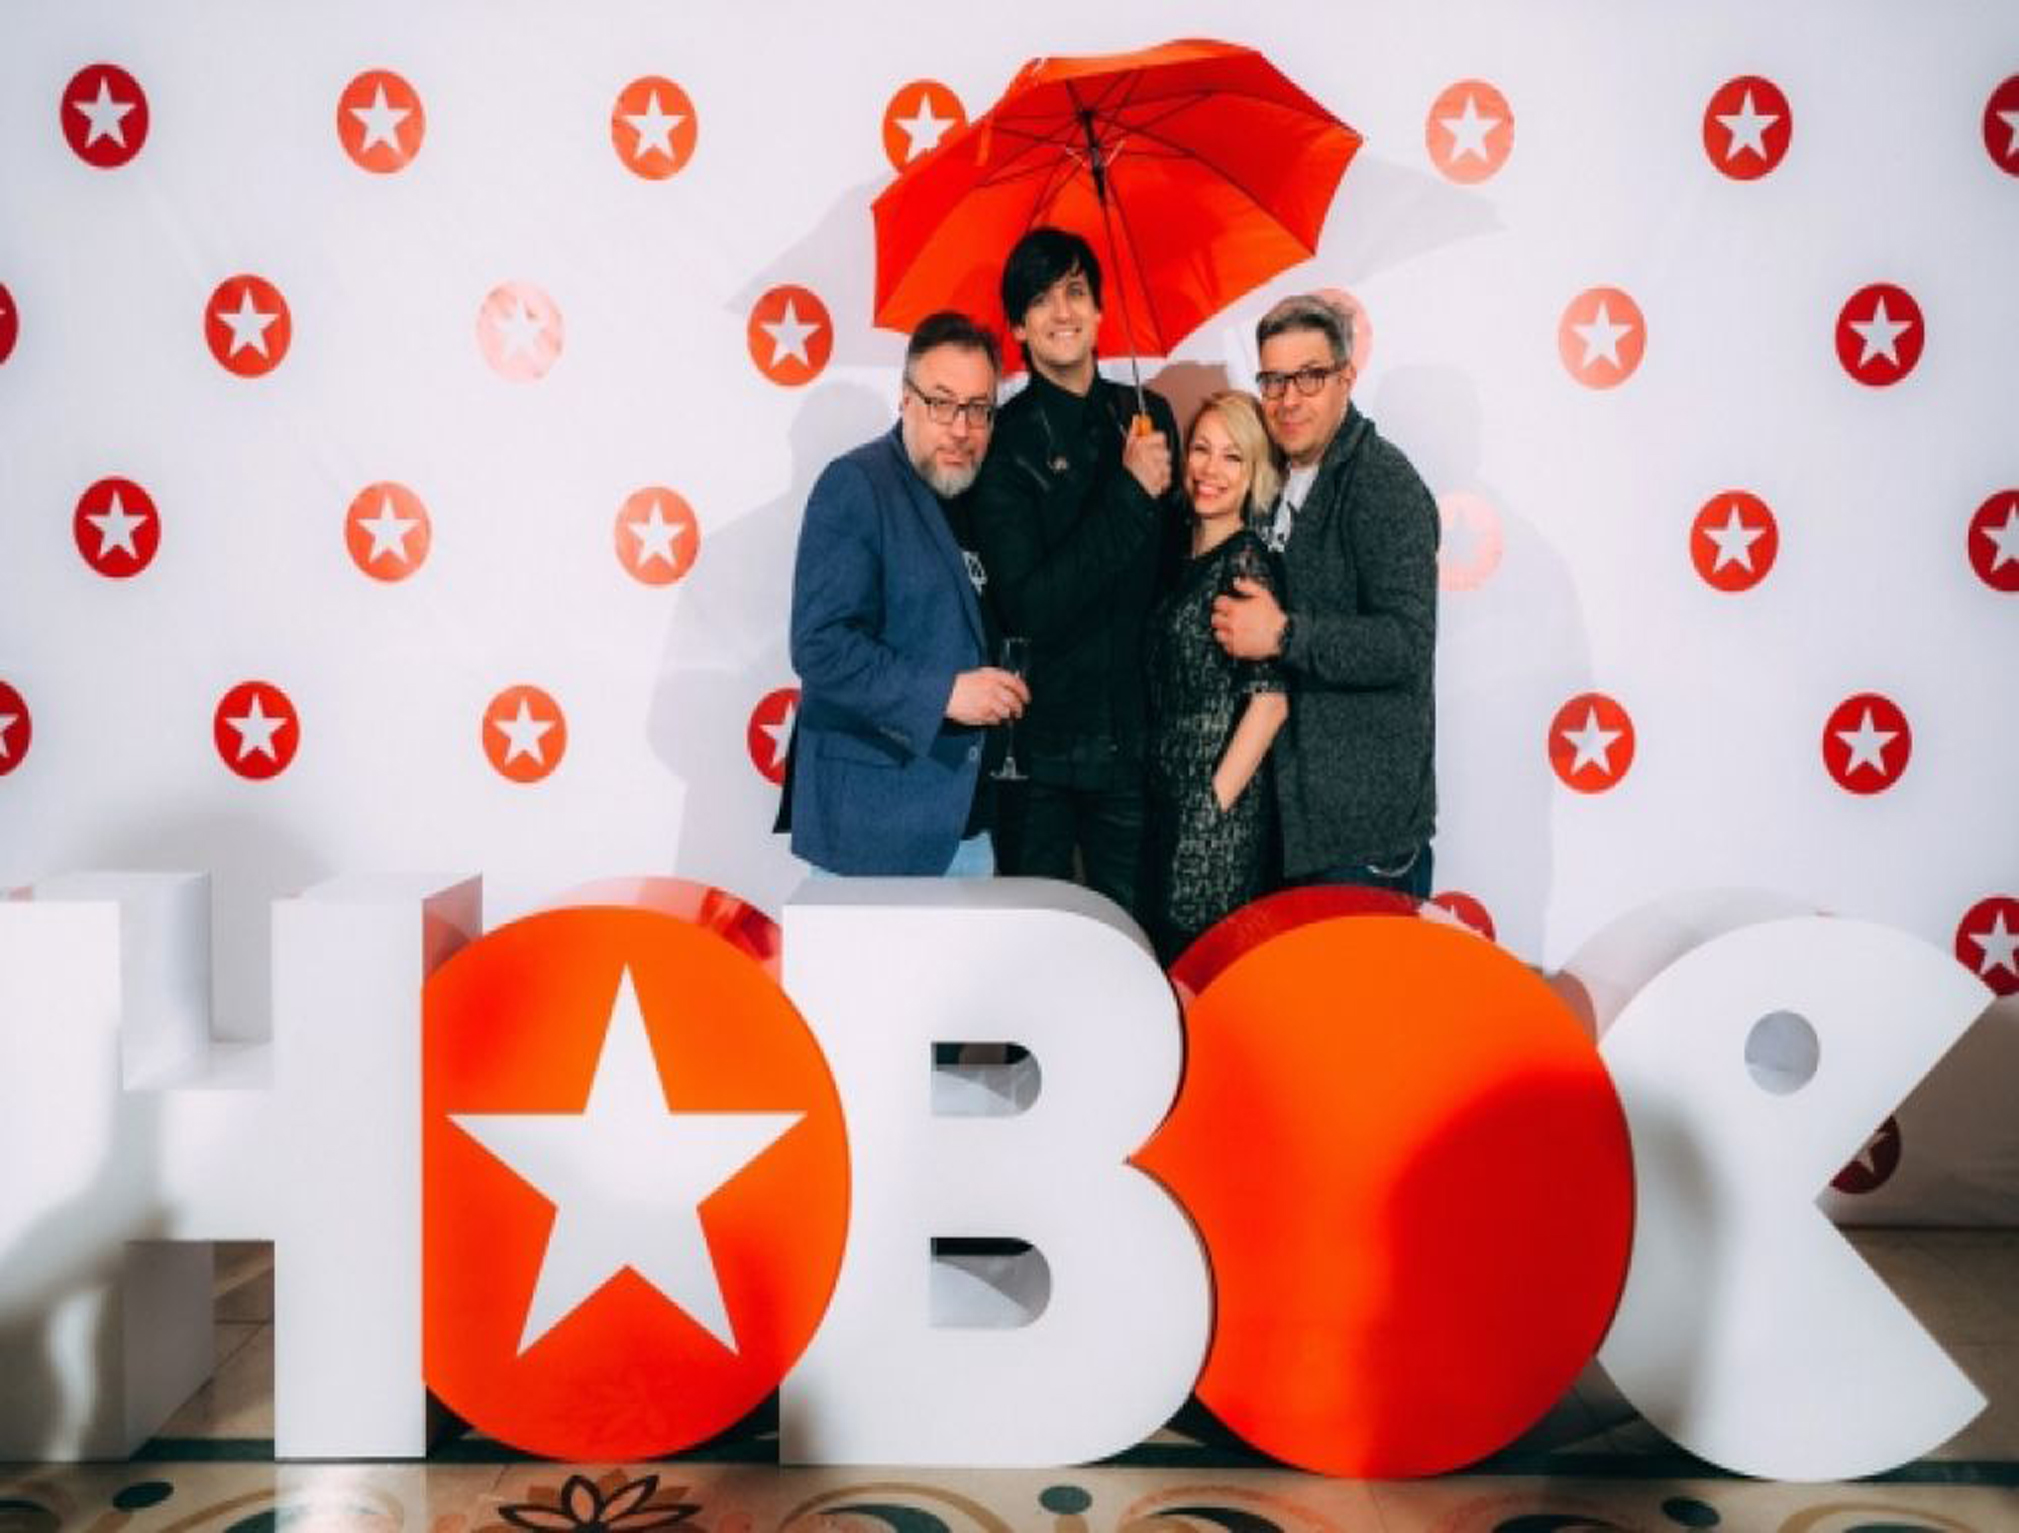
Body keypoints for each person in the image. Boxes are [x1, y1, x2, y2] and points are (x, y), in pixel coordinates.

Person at [970, 227, 1184, 917]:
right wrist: (1129, 493)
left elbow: (1170, 575)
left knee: (1135, 943)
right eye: (1040, 299)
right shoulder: (1002, 444)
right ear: (1017, 328)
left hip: (1135, 746)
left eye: (1075, 291)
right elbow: (1032, 606)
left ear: (1098, 310)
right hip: (1040, 758)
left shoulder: (1147, 417)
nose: (1061, 311)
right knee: (1036, 947)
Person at [1211, 294, 1439, 898]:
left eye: (1309, 377)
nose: (1288, 399)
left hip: (1362, 840)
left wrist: (1284, 634)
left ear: (1346, 378)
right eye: (1274, 380)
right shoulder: (1275, 479)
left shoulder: (1383, 484)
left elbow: (1404, 644)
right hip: (1292, 827)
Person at [786, 310, 1029, 876]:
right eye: (942, 403)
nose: (961, 428)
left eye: (978, 409)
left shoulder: (980, 495)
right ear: (905, 399)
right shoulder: (857, 484)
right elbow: (820, 646)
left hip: (969, 826)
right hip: (875, 828)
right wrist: (944, 694)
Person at [1143, 392, 1289, 962]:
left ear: (1255, 474)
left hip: (1215, 827)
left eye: (1233, 457)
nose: (1211, 469)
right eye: (1202, 449)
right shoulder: (1180, 558)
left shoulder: (1244, 562)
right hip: (1167, 808)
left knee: (1206, 976)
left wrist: (1210, 808)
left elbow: (1270, 703)